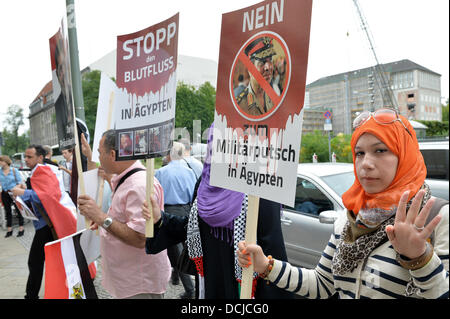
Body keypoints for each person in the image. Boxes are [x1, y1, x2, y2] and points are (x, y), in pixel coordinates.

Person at [237, 108, 449, 299]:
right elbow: (322, 284)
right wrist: (266, 265)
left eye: (380, 150)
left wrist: (420, 258)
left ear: (405, 155)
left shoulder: (436, 219)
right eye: (359, 153)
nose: (366, 163)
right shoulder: (350, 220)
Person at [143, 124, 293, 299]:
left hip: (243, 291)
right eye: (213, 141)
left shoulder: (259, 187)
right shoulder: (205, 183)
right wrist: (161, 218)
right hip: (208, 286)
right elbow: (193, 227)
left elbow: (272, 249)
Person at [77, 129, 171, 299]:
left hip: (139, 283)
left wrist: (101, 217)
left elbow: (140, 238)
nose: (99, 157)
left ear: (112, 154)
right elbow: (124, 217)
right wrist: (105, 221)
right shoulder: (127, 180)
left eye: (99, 153)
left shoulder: (139, 185)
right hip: (130, 280)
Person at [11, 144, 77, 299]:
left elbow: (48, 196)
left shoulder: (44, 170)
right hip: (47, 223)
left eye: (29, 157)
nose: (26, 160)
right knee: (58, 260)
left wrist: (24, 192)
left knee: (36, 261)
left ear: (40, 157)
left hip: (49, 224)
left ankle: (32, 295)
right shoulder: (38, 171)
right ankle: (74, 290)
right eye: (25, 157)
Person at [154, 142, 197, 299]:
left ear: (168, 155)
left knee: (176, 252)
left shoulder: (161, 172)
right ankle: (177, 278)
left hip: (169, 211)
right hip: (187, 210)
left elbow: (155, 195)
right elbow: (194, 194)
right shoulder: (190, 172)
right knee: (184, 250)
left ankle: (191, 290)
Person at [236, 37, 281, 116]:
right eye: (262, 62)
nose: (268, 67)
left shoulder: (275, 100)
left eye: (270, 60)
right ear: (250, 69)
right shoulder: (239, 105)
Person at [0, 155, 24, 237]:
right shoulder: (0, 171)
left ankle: (21, 228)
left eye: (1, 161)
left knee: (18, 210)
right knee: (8, 211)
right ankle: (9, 229)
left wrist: (15, 189)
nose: (0, 163)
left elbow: (19, 183)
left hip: (14, 192)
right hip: (4, 193)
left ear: (5, 161)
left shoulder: (14, 170)